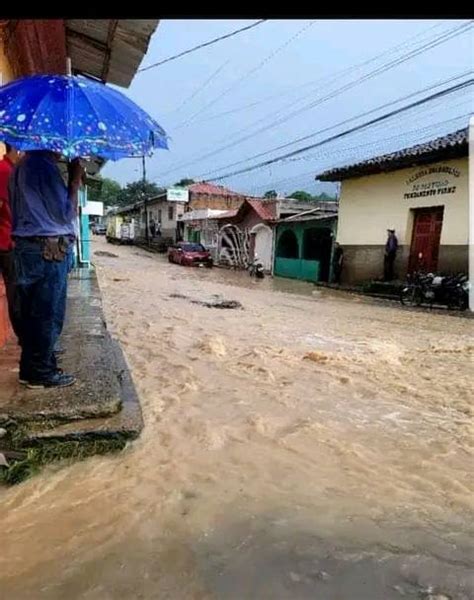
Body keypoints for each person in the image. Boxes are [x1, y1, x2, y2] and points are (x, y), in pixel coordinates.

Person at [9, 150, 84, 388]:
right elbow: (64, 216)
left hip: (26, 247)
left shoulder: (20, 166)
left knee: (30, 311)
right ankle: (40, 372)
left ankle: (32, 367)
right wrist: (74, 182)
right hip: (48, 250)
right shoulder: (43, 167)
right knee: (47, 313)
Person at [0, 143, 22, 342]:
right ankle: (25, 340)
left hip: (10, 240)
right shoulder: (5, 171)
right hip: (6, 242)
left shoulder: (10, 171)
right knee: (16, 294)